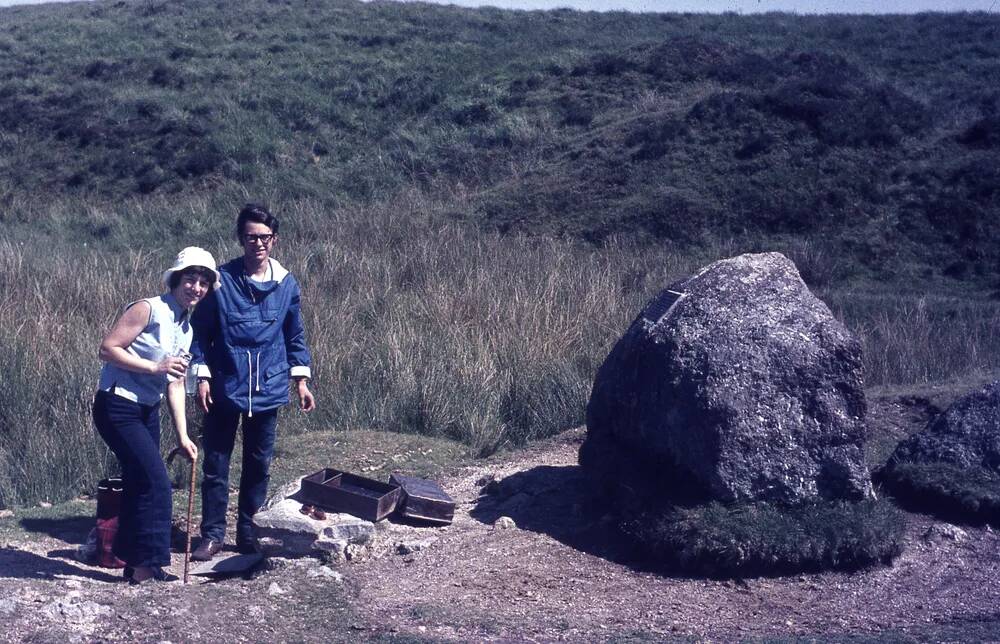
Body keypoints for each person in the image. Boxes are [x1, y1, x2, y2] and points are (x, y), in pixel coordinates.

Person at [190, 203, 315, 561]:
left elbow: (294, 334)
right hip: (225, 387)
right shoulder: (220, 281)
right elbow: (200, 334)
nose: (257, 243)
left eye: (264, 237)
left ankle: (249, 534)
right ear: (241, 239)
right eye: (250, 237)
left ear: (274, 240)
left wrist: (301, 380)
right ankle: (212, 535)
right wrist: (201, 376)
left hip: (268, 385)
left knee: (258, 465)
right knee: (216, 465)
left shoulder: (286, 284)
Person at [93, 246, 219, 584]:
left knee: (140, 482)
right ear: (177, 279)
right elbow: (108, 349)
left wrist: (183, 436)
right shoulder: (148, 308)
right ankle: (147, 565)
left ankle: (134, 564)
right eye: (190, 279)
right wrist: (154, 366)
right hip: (117, 404)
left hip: (146, 408)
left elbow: (175, 382)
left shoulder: (186, 328)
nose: (196, 287)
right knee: (156, 482)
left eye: (203, 283)